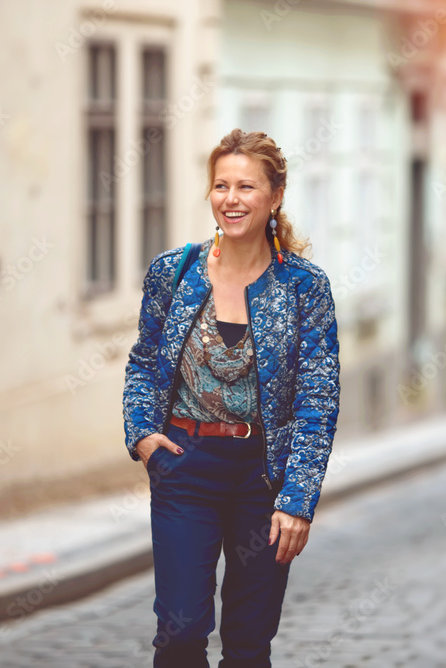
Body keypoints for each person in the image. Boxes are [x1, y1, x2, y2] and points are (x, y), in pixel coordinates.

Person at [122, 128, 341, 667]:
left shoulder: (303, 287)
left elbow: (319, 395)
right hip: (185, 465)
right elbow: (143, 363)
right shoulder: (174, 271)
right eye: (221, 186)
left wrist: (298, 499)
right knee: (179, 632)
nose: (231, 199)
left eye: (246, 186)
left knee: (248, 642)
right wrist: (144, 436)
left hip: (263, 478)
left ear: (275, 196)